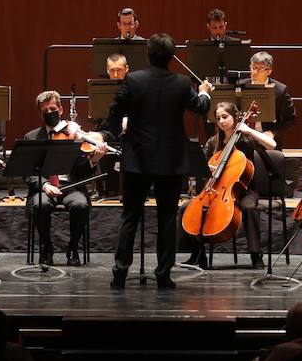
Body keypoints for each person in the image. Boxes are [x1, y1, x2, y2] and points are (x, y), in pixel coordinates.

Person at [105, 33, 215, 289]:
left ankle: (120, 273)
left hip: (137, 159)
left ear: (148, 54)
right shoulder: (180, 82)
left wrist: (114, 131)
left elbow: (114, 113)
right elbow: (200, 107)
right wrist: (205, 92)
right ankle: (163, 275)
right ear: (171, 56)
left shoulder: (133, 80)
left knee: (130, 217)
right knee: (166, 218)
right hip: (170, 160)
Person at [183, 101, 277, 269]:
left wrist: (248, 129)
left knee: (249, 208)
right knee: (186, 207)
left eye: (225, 117)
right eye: (218, 118)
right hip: (217, 189)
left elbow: (272, 145)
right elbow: (201, 166)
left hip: (245, 189)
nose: (221, 121)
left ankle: (256, 255)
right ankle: (197, 254)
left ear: (234, 117)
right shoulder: (214, 142)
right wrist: (207, 168)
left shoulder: (246, 139)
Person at [21, 91, 103, 266]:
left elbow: (81, 171)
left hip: (71, 185)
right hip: (45, 187)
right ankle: (46, 247)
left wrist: (94, 159)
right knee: (40, 204)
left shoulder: (74, 134)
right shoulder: (32, 137)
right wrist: (44, 185)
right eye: (45, 110)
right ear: (40, 113)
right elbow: (28, 172)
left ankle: (73, 248)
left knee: (81, 204)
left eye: (53, 108)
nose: (50, 113)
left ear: (61, 109)